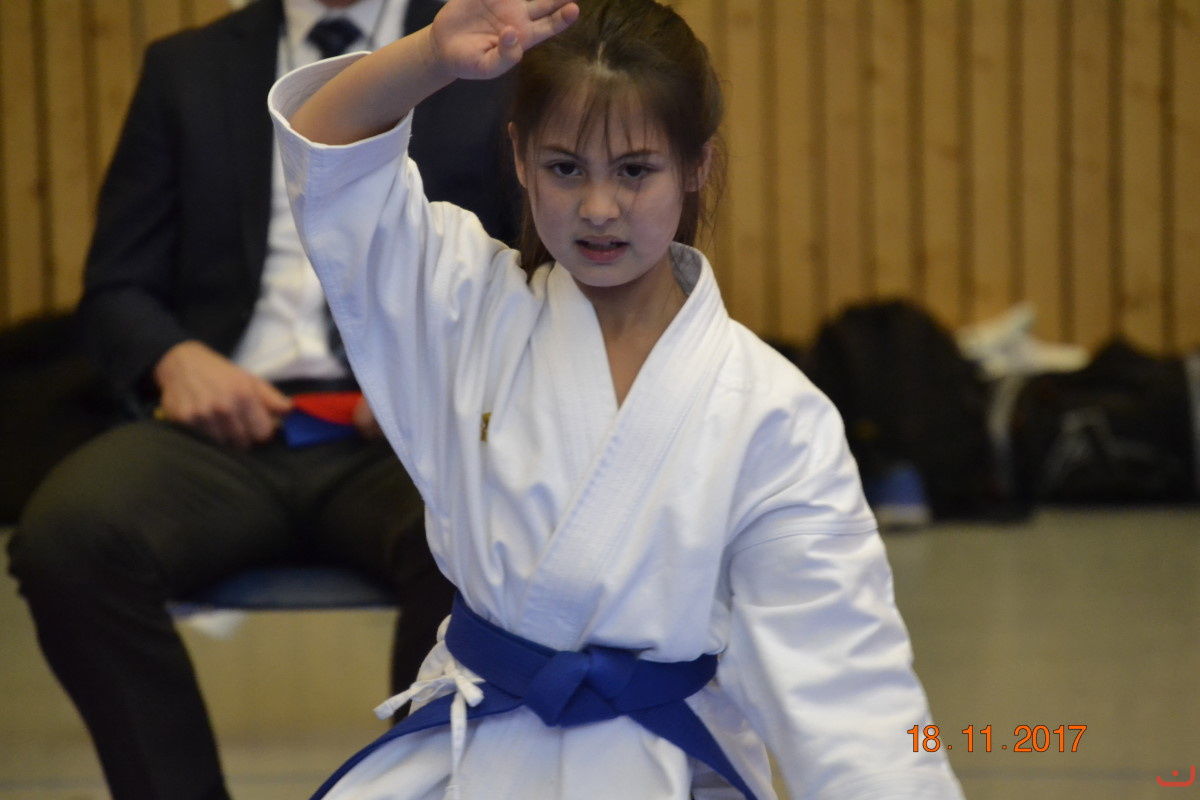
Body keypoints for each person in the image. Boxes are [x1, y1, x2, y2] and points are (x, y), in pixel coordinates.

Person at [269, 0, 966, 797]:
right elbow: (328, 152)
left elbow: (849, 694)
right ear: (520, 158)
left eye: (635, 170)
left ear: (696, 164)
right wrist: (431, 52)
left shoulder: (774, 415)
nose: (598, 208)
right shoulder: (463, 305)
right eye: (565, 168)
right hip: (471, 761)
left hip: (661, 768)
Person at [5, 1, 519, 799]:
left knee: (485, 531)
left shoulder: (482, 59)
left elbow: (535, 274)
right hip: (220, 433)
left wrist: (437, 375)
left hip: (411, 432)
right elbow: (115, 289)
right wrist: (173, 358)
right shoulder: (187, 69)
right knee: (67, 538)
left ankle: (417, 788)